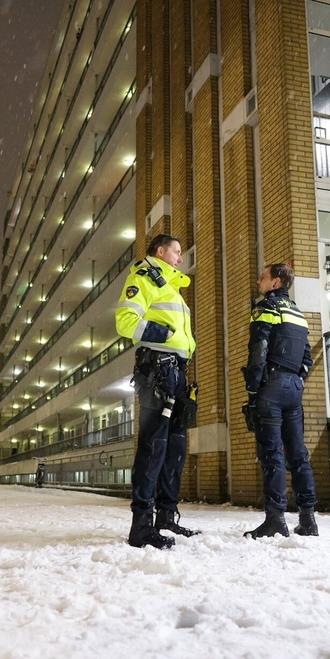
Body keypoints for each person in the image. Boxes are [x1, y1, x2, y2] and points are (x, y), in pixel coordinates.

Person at [115, 234, 198, 548]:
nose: (180, 258)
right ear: (160, 252)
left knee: (175, 448)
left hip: (177, 371)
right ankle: (141, 526)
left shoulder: (171, 286)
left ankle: (165, 516)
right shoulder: (142, 279)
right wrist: (163, 334)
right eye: (177, 252)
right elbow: (125, 321)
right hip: (158, 370)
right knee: (153, 448)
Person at [242, 263, 319, 538]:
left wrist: (253, 389)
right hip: (294, 390)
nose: (259, 280)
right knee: (298, 455)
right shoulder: (298, 314)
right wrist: (296, 380)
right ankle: (308, 520)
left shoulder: (265, 308)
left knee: (272, 455)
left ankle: (275, 519)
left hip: (271, 388)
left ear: (275, 283)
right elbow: (307, 358)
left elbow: (258, 349)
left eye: (263, 277)